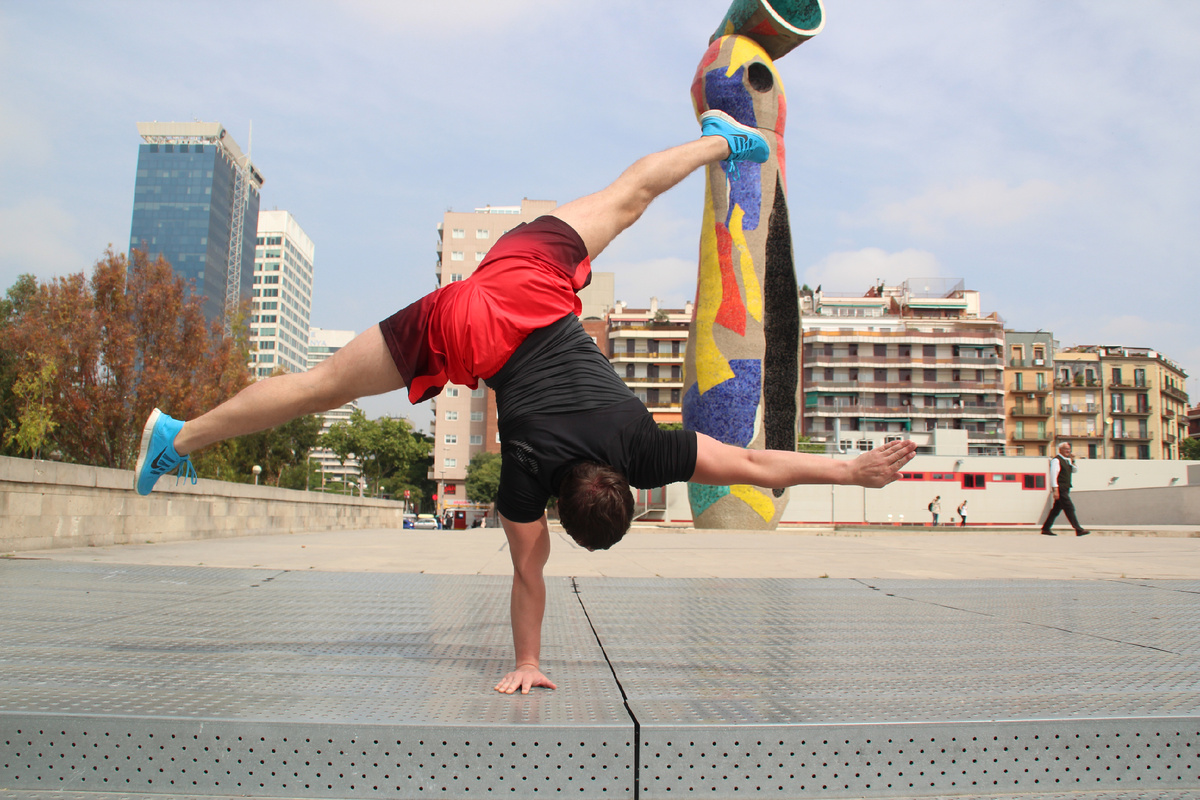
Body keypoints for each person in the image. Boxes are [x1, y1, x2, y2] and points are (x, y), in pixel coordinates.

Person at [133, 111, 918, 694]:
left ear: (624, 486)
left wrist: (852, 470)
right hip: (467, 325)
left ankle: (720, 141)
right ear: (558, 511)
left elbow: (750, 463)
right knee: (319, 387)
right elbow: (528, 577)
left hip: (528, 274)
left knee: (629, 196)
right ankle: (177, 436)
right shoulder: (526, 481)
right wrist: (528, 662)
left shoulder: (644, 448)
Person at [1040, 442, 1089, 536]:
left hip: (1066, 488)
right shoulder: (1056, 460)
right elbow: (1053, 475)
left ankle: (1046, 528)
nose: (1068, 451)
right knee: (1069, 507)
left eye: (1069, 449)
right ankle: (1078, 529)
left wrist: (1073, 460)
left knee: (1056, 510)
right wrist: (1055, 490)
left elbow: (1074, 470)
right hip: (1060, 488)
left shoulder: (1067, 460)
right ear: (1060, 449)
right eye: (1066, 449)